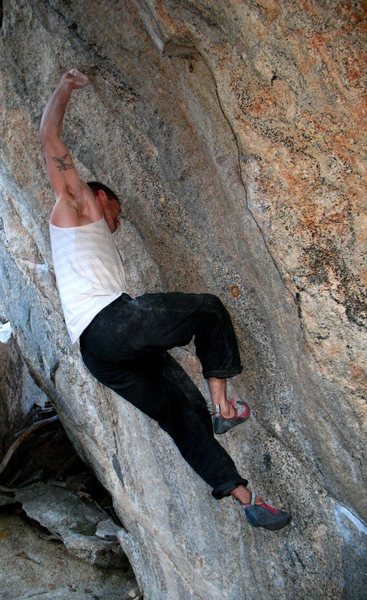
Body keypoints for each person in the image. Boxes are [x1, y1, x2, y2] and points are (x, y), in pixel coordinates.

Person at [40, 68, 291, 531]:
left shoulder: (84, 240)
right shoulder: (77, 206)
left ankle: (246, 499)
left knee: (182, 414)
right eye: (116, 212)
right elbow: (50, 139)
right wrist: (64, 88)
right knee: (207, 309)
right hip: (109, 323)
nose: (117, 222)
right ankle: (225, 407)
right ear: (99, 198)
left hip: (101, 356)